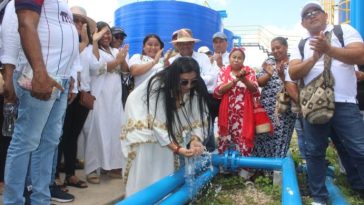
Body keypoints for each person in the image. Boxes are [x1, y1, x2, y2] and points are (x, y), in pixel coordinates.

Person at [2, 0, 80, 204]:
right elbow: (20, 27)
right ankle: (13, 201)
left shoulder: (62, 4)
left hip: (59, 78)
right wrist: (32, 73)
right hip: (40, 75)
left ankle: (41, 199)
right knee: (25, 141)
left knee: (49, 142)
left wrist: (71, 77)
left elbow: (65, 37)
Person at [289, 2, 364, 204]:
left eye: (316, 12)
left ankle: (360, 186)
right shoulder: (301, 44)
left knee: (359, 148)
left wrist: (328, 49)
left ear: (326, 16)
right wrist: (314, 57)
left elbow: (360, 54)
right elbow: (293, 72)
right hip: (314, 105)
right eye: (307, 15)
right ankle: (319, 197)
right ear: (303, 23)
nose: (312, 15)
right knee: (315, 152)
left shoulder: (343, 30)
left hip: (345, 102)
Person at [121, 57, 210, 196]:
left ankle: (164, 198)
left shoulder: (194, 87)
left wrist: (195, 140)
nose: (188, 86)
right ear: (175, 78)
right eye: (184, 82)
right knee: (146, 159)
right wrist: (177, 148)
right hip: (142, 120)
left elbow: (199, 116)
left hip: (163, 123)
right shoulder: (158, 85)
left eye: (193, 81)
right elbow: (158, 124)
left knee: (166, 160)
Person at [55, 5, 96, 190]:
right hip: (64, 91)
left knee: (72, 136)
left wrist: (88, 42)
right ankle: (54, 176)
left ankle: (70, 174)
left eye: (82, 21)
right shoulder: (62, 39)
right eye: (75, 19)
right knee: (58, 135)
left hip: (81, 94)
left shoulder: (88, 46)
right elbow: (70, 57)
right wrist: (84, 41)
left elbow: (92, 68)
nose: (79, 23)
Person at [82, 21, 128, 184]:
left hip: (115, 97)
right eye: (102, 33)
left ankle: (113, 166)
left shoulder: (116, 50)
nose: (107, 36)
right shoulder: (90, 50)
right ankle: (93, 168)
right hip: (99, 95)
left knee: (115, 130)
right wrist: (117, 61)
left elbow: (125, 71)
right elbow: (97, 68)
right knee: (97, 130)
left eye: (108, 32)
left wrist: (121, 59)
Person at [169, 28, 218, 151]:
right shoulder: (171, 61)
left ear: (193, 43)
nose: (185, 46)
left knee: (206, 128)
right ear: (177, 45)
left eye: (188, 42)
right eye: (182, 43)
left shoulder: (203, 58)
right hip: (181, 101)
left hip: (202, 98)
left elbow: (212, 78)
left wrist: (189, 82)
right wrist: (197, 80)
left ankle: (208, 157)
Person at [252, 37, 296, 159]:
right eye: (273, 49)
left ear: (286, 47)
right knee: (262, 136)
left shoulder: (294, 62)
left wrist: (282, 75)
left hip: (284, 108)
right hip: (266, 106)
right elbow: (259, 83)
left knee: (280, 138)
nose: (275, 51)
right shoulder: (269, 62)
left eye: (278, 47)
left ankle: (276, 172)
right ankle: (260, 169)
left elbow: (297, 85)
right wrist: (269, 73)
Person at [214, 47, 258, 156]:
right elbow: (219, 90)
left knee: (243, 136)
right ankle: (225, 165)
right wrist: (235, 81)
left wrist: (244, 80)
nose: (236, 60)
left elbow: (255, 90)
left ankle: (245, 167)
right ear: (229, 58)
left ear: (243, 60)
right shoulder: (223, 71)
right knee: (225, 137)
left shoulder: (249, 71)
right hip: (227, 112)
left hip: (244, 113)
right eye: (234, 57)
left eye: (240, 58)